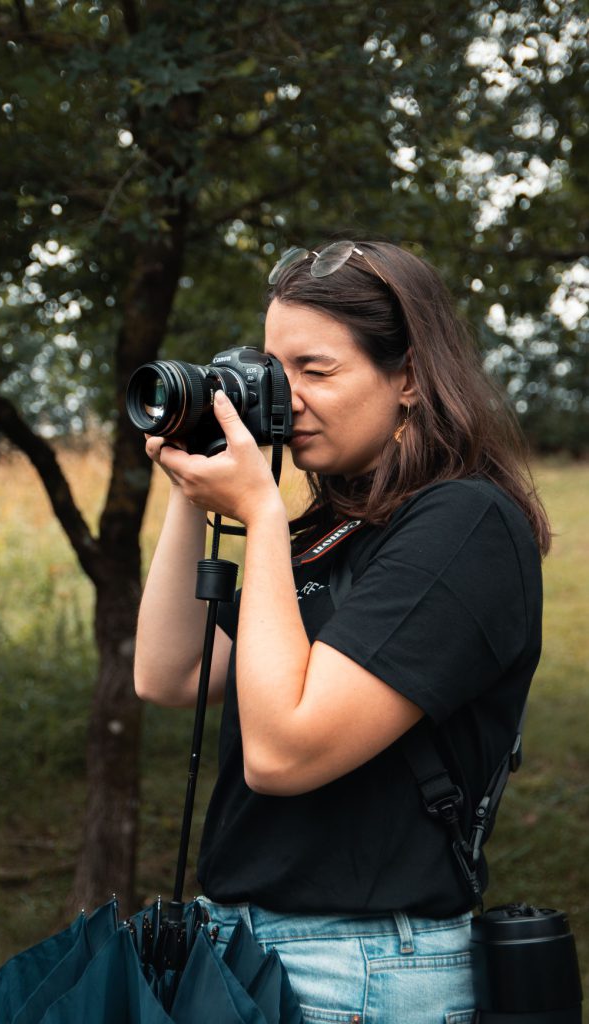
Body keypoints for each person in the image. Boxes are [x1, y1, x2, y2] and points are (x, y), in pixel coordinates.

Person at [134, 239, 550, 1023]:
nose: (280, 397)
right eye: (270, 368)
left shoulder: (464, 526)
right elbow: (168, 674)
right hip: (248, 949)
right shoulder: (332, 528)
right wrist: (193, 487)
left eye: (315, 371)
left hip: (360, 972)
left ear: (409, 380)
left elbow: (284, 753)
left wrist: (258, 510)